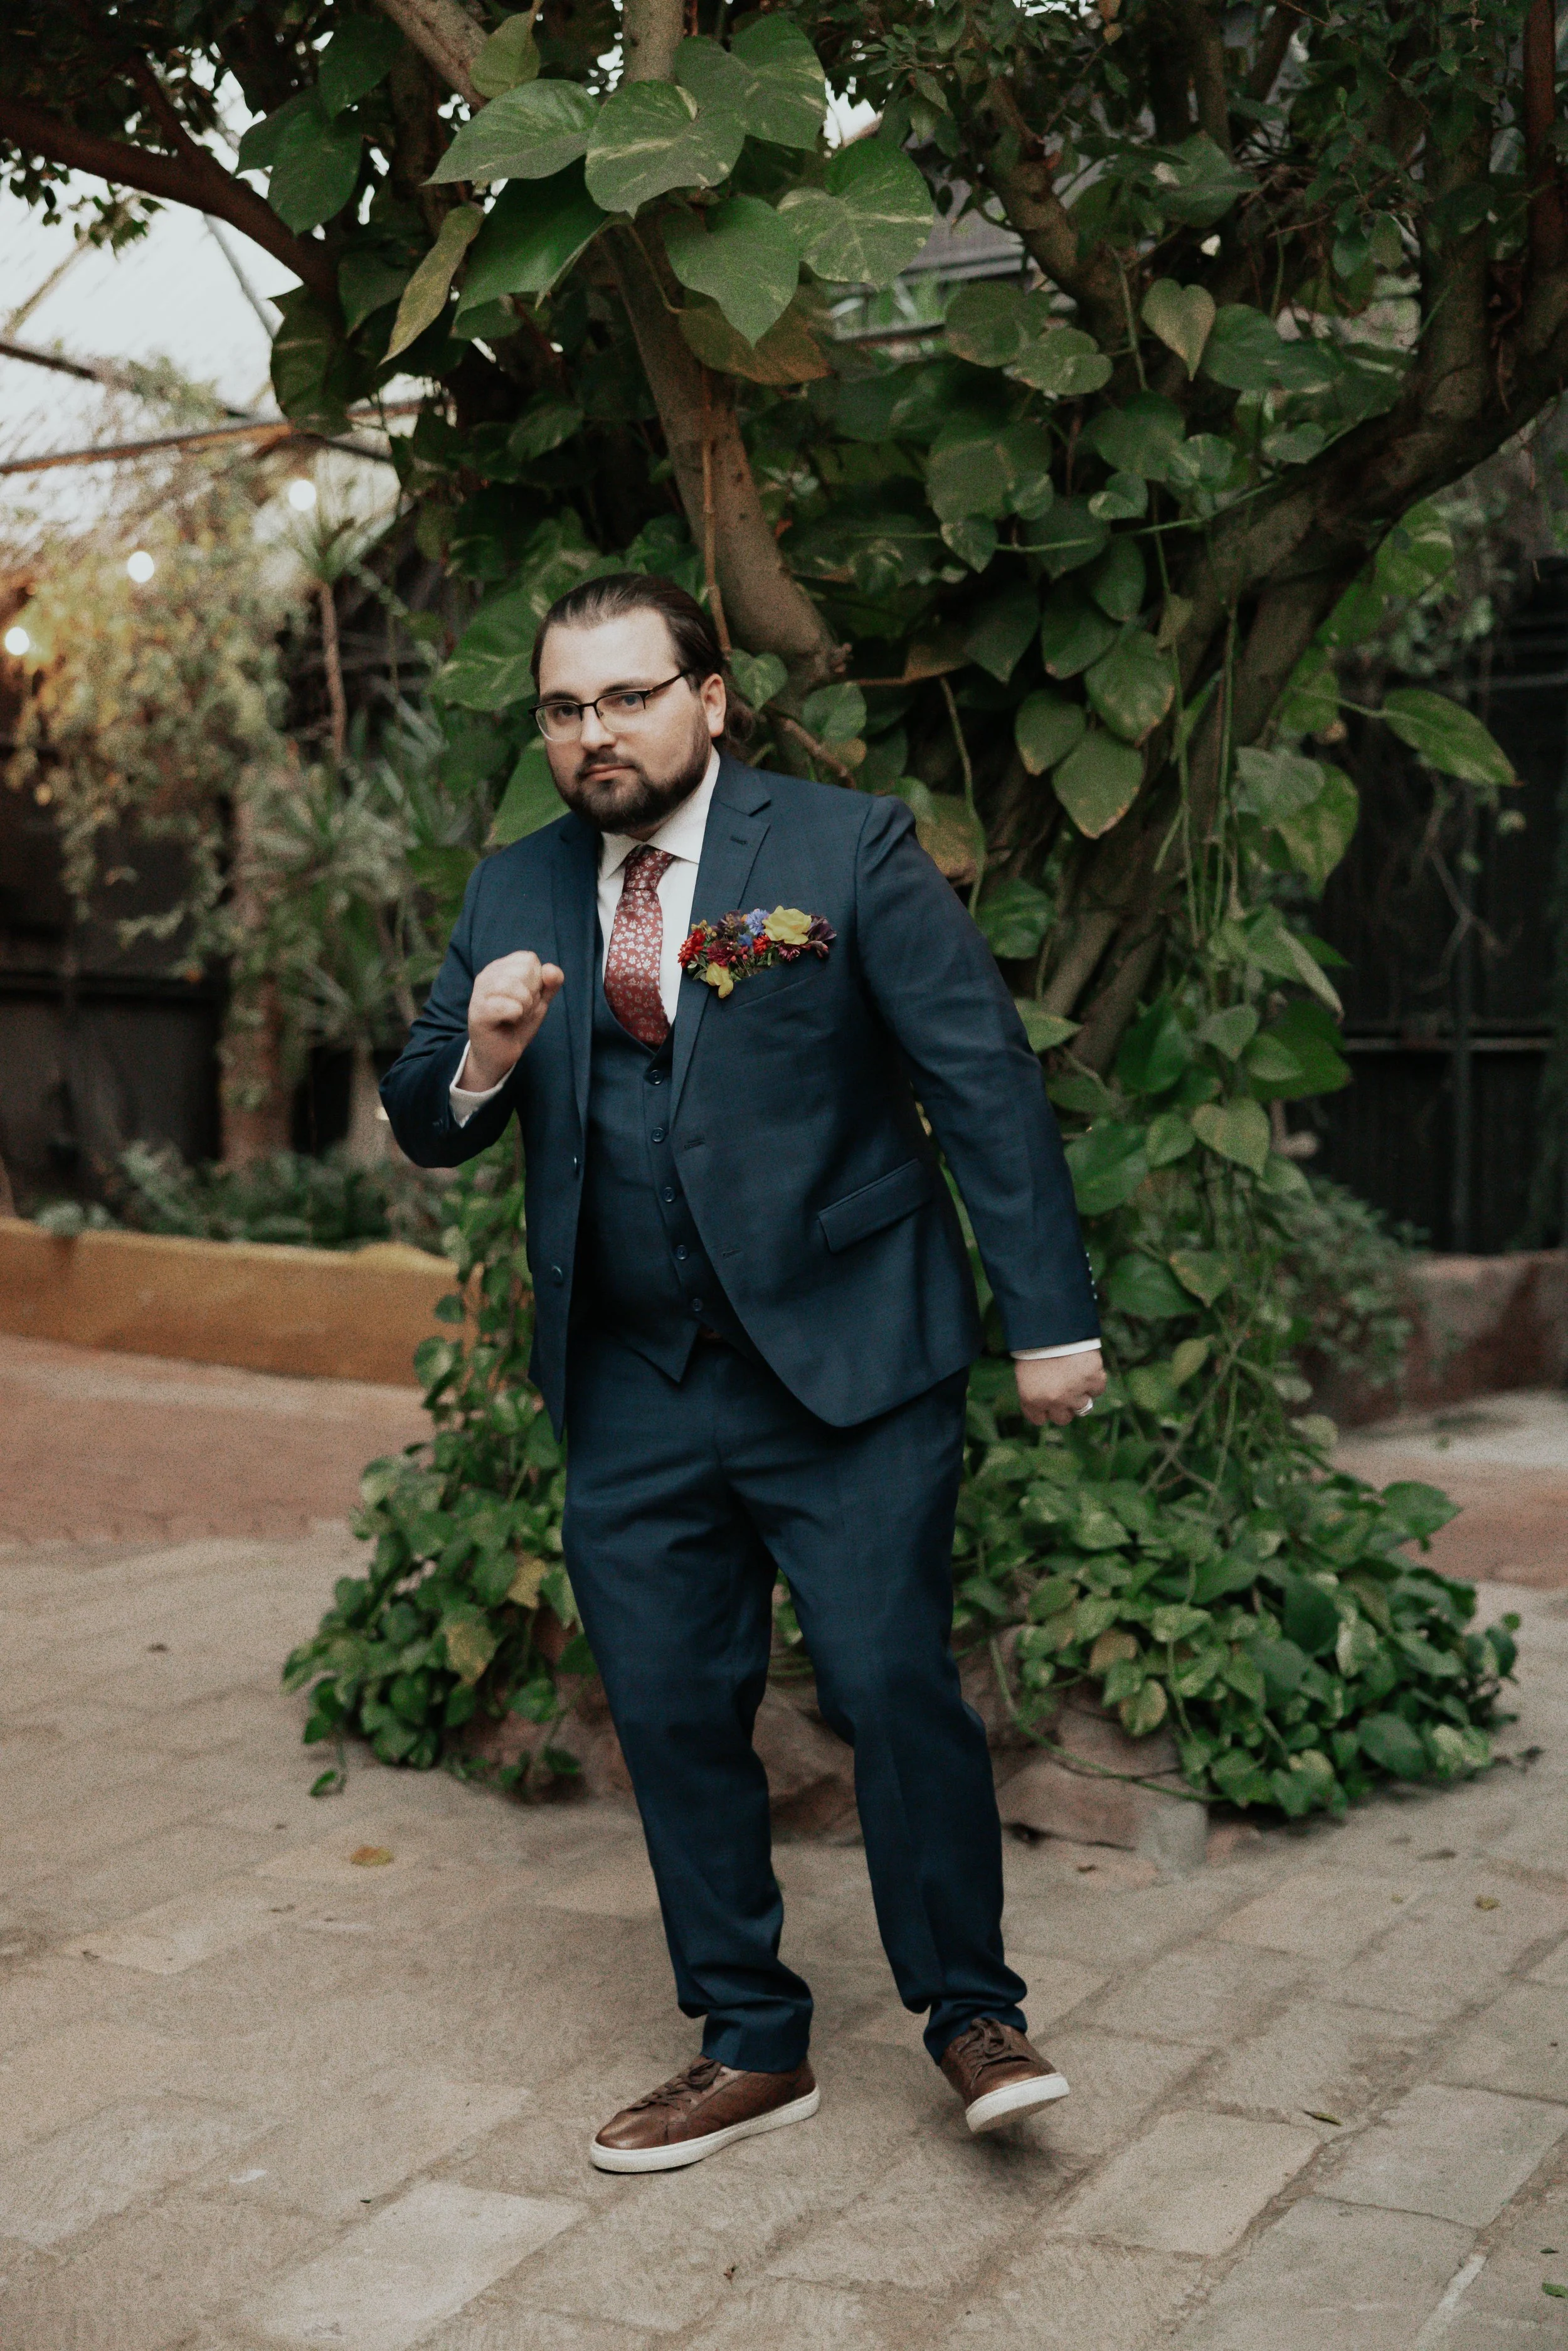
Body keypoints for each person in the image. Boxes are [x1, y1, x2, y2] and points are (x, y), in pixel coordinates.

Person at [380, 573, 1106, 2175]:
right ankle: (746, 2039)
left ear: (708, 699)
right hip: (632, 1377)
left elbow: (978, 1078)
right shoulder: (514, 884)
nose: (595, 735)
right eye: (566, 709)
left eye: (628, 697)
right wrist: (486, 1052)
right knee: (669, 1701)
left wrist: (1050, 1320)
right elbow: (424, 1111)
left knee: (887, 1680)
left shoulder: (843, 851)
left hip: (845, 1362)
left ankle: (970, 2010)